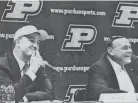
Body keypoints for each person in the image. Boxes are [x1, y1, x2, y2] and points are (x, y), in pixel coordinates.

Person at [0, 25, 53, 103]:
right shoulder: (2, 65)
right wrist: (31, 72)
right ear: (18, 42)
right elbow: (7, 97)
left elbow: (50, 92)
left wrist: (26, 97)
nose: (36, 46)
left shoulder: (36, 65)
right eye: (32, 40)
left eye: (38, 43)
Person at [87, 36, 138, 100]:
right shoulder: (98, 68)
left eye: (130, 47)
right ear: (111, 51)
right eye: (125, 48)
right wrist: (131, 96)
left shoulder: (134, 62)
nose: (130, 51)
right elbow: (100, 91)